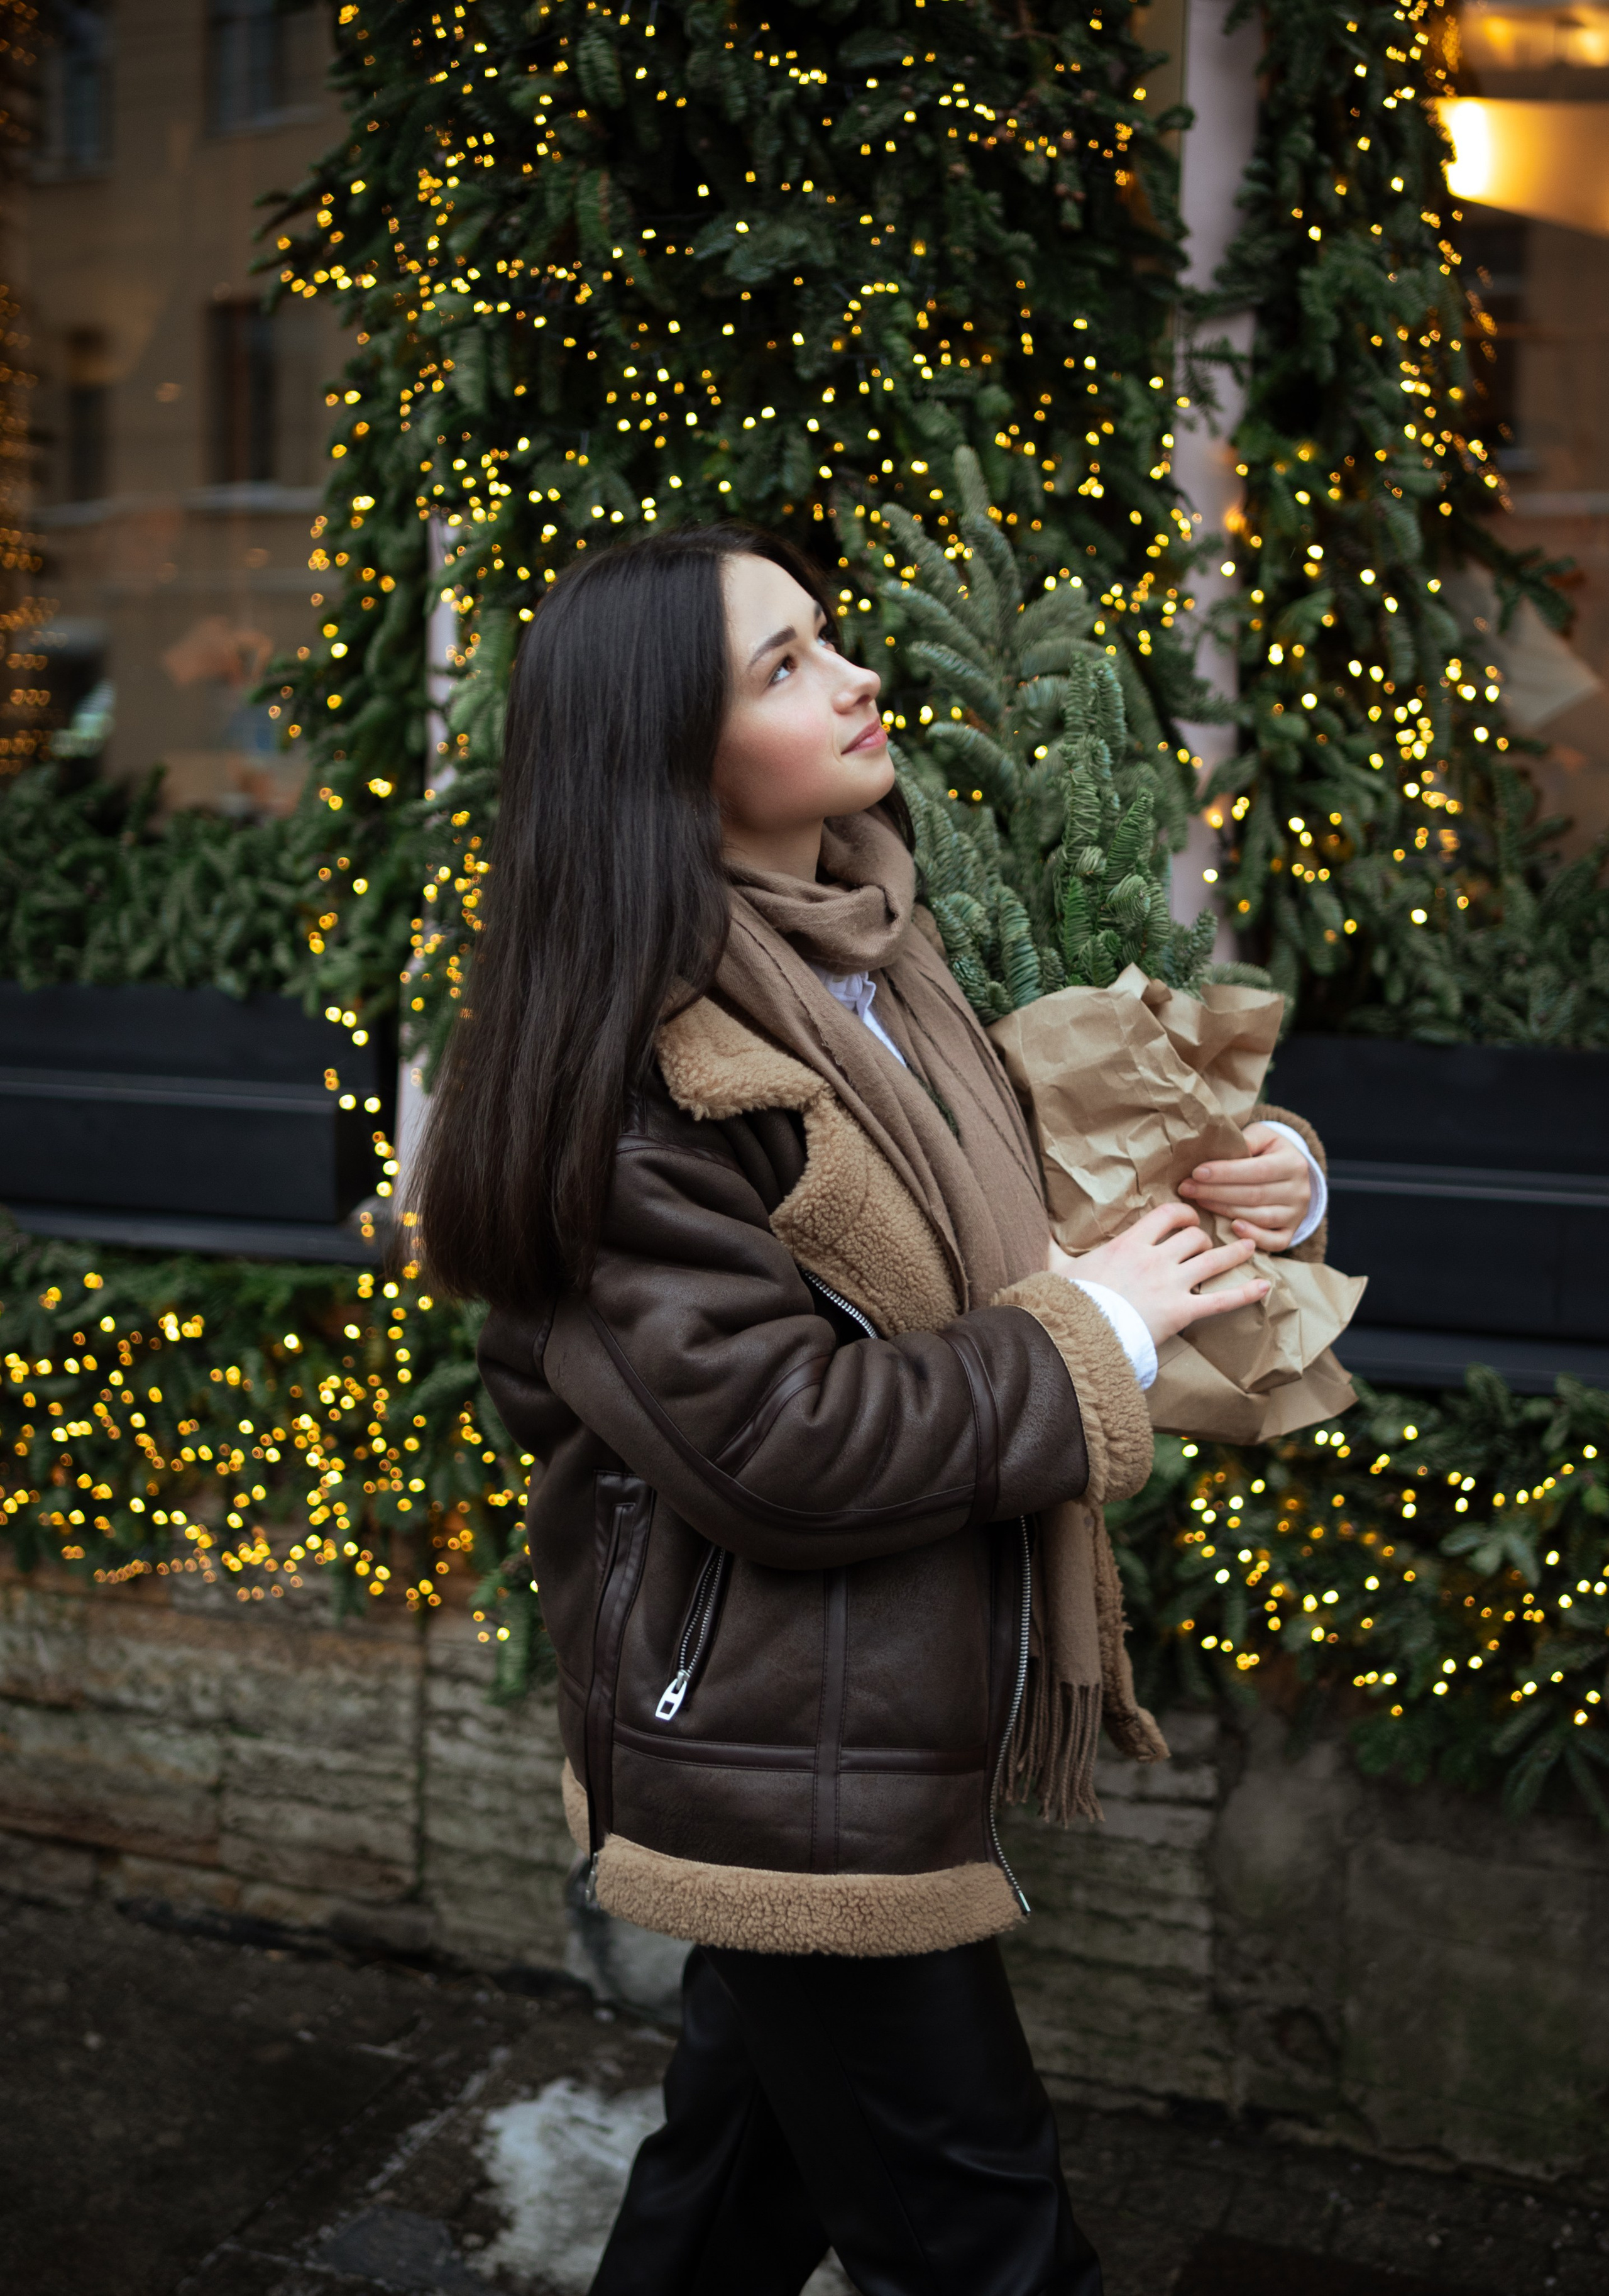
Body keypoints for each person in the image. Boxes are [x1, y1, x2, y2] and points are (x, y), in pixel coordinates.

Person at [415, 526, 1326, 2296]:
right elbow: (781, 1440)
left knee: (736, 2182)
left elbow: (991, 1247)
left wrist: (1247, 1186)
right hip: (777, 1738)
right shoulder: (638, 1069)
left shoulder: (872, 962)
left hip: (858, 1702)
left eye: (828, 640)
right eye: (784, 666)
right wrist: (1098, 1334)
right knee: (987, 2232)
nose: (857, 678)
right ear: (660, 752)